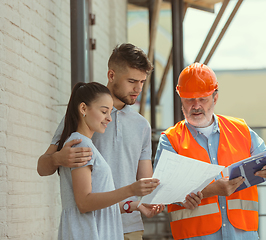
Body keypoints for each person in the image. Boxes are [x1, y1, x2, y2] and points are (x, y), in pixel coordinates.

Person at [37, 43, 197, 239]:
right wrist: (58, 159)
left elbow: (146, 183)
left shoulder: (142, 126)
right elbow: (42, 168)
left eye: (142, 81)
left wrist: (183, 195)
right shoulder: (86, 117)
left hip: (130, 226)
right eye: (132, 81)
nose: (138, 88)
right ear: (111, 75)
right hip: (92, 226)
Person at [154, 63, 266, 240]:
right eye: (189, 99)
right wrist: (211, 190)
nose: (196, 105)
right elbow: (162, 188)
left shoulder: (240, 129)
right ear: (181, 99)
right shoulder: (171, 139)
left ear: (215, 98)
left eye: (202, 99)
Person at [56, 82, 160, 239]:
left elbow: (98, 205)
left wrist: (133, 205)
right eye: (104, 111)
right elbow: (84, 203)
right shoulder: (80, 145)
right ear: (83, 109)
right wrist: (131, 190)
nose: (109, 118)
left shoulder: (85, 144)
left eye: (110, 112)